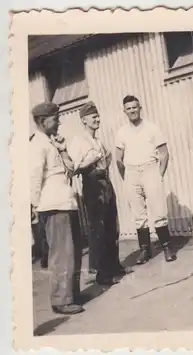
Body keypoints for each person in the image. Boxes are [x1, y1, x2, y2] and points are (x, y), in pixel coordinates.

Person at [30, 102, 84, 315]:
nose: (59, 121)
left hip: (66, 203)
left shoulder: (52, 143)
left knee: (74, 251)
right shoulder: (37, 145)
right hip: (52, 205)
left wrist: (63, 151)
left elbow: (70, 169)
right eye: (55, 118)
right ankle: (61, 300)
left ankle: (73, 294)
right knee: (61, 254)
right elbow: (33, 176)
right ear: (43, 122)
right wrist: (32, 205)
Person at [68, 101, 130, 285]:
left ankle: (113, 265)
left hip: (106, 185)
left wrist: (105, 160)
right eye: (92, 116)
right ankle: (102, 273)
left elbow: (106, 158)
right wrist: (91, 160)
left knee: (112, 226)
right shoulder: (78, 141)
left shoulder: (98, 141)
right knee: (99, 229)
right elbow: (73, 168)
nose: (97, 119)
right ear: (83, 120)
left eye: (97, 115)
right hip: (93, 188)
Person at [115, 95, 175, 264]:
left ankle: (166, 247)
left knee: (158, 211)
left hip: (150, 169)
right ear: (124, 111)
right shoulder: (121, 132)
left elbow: (164, 154)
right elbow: (118, 159)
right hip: (132, 172)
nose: (132, 110)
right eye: (129, 108)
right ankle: (145, 250)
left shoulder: (152, 128)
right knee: (138, 213)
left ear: (140, 108)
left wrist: (159, 175)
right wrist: (126, 177)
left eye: (135, 107)